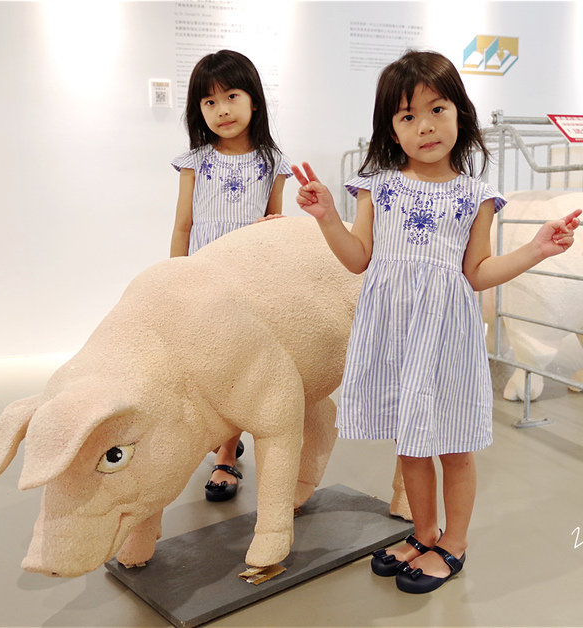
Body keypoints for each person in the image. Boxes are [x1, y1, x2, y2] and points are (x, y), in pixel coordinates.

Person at [292, 50, 580, 594]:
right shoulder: (377, 186)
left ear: (460, 115)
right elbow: (358, 258)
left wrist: (538, 249)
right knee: (411, 440)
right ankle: (424, 533)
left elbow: (476, 272)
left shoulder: (477, 196)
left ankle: (455, 541)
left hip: (447, 337)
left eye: (436, 109)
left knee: (453, 444)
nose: (424, 125)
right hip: (393, 334)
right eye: (407, 116)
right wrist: (328, 216)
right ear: (391, 130)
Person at [170, 49, 292, 502]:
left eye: (232, 96)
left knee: (240, 368)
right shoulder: (194, 162)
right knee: (208, 367)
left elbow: (275, 223)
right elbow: (183, 225)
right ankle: (221, 435)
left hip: (252, 284)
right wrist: (176, 279)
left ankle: (226, 456)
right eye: (209, 102)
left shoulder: (273, 162)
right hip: (204, 280)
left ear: (254, 101)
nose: (221, 109)